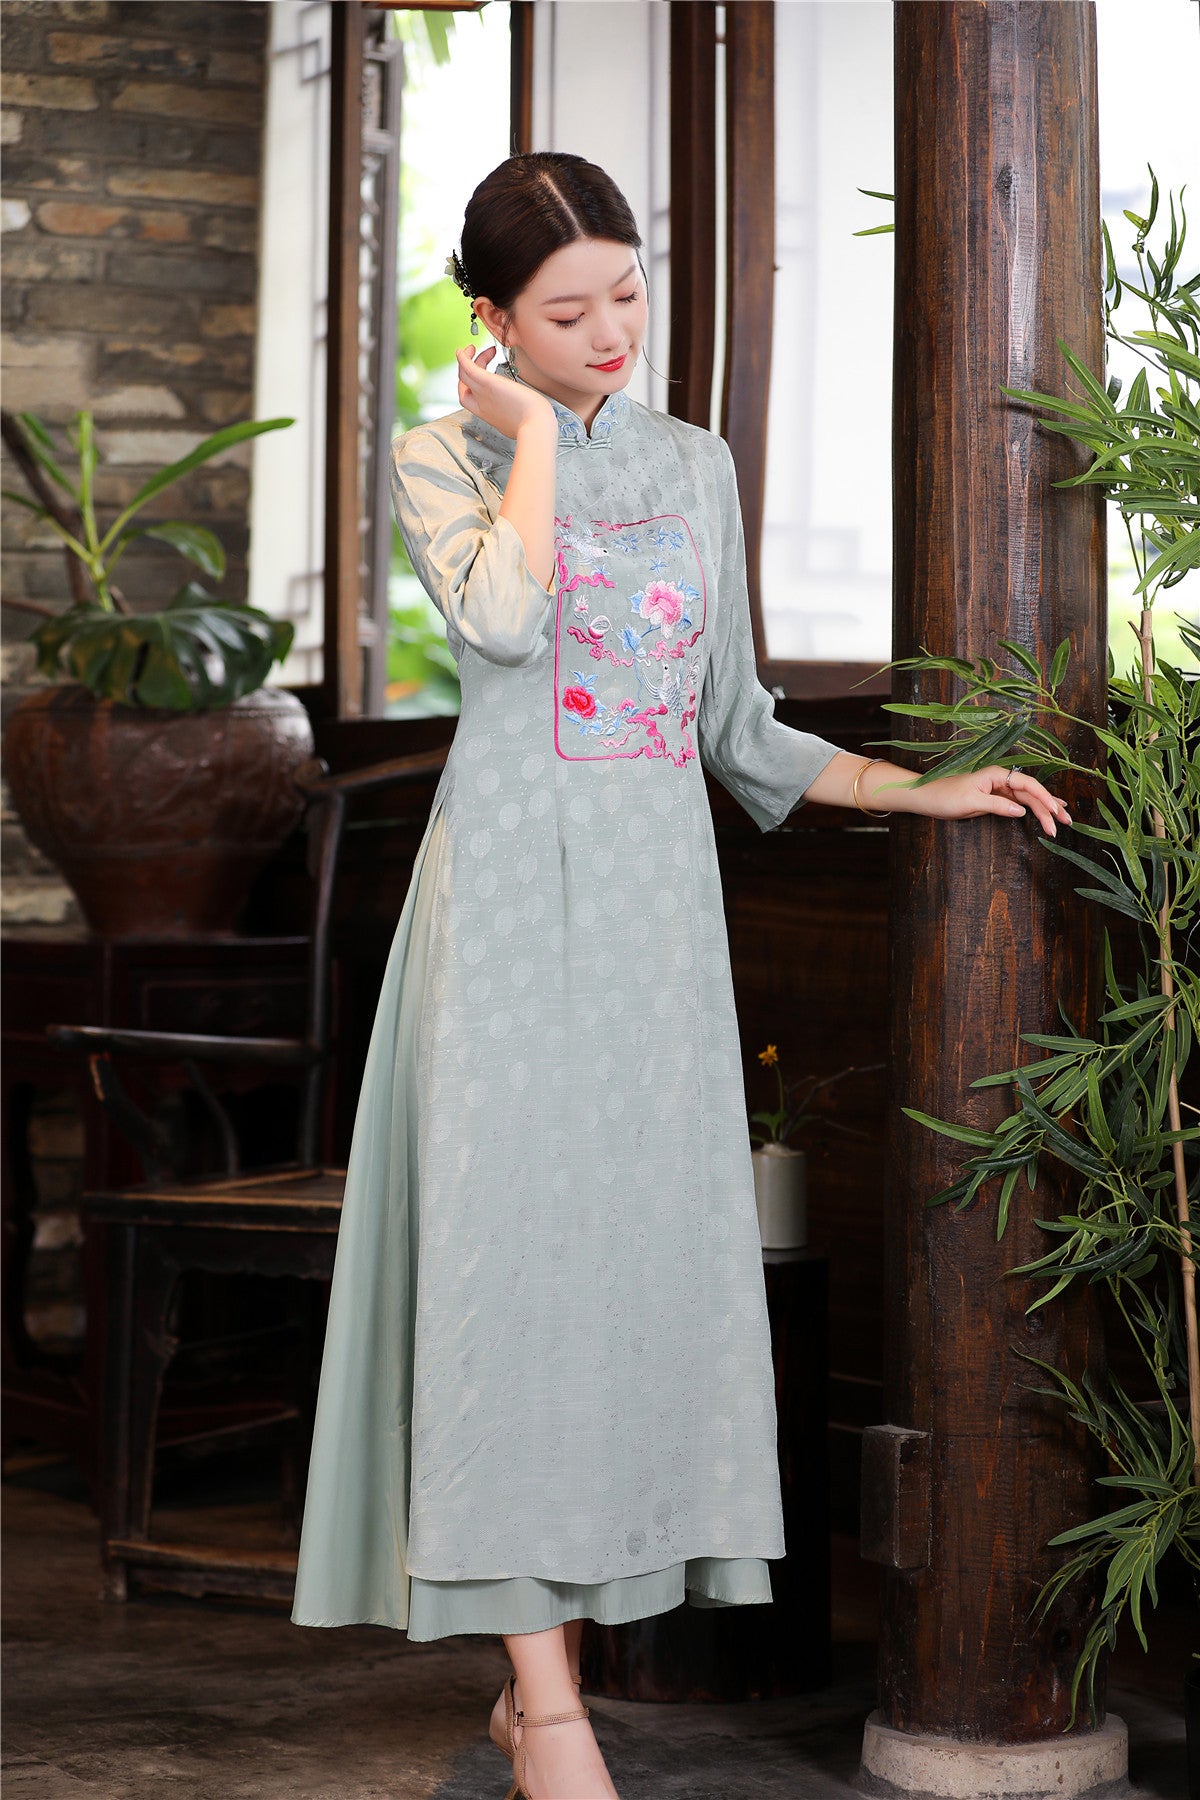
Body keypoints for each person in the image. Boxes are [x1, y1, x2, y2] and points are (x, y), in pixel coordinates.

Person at [290, 151, 1071, 1800]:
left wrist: (919, 789)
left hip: (655, 932)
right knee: (502, 1286)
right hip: (501, 918)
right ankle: (546, 1700)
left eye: (628, 292)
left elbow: (734, 725)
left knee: (622, 1288)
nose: (609, 330)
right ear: (492, 323)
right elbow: (503, 623)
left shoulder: (696, 465)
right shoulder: (446, 455)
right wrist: (517, 439)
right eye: (565, 311)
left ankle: (545, 1686)